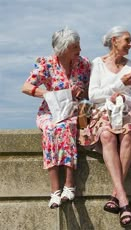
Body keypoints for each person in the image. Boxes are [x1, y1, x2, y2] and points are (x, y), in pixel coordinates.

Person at [80, 26, 131, 227]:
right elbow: (94, 95)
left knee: (128, 133)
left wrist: (125, 97)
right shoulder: (97, 63)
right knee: (106, 134)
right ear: (114, 41)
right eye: (127, 40)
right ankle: (124, 200)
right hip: (102, 111)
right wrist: (118, 85)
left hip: (125, 111)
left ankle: (116, 196)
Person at [21, 27, 91, 209]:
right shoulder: (46, 63)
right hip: (50, 111)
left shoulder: (84, 64)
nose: (80, 50)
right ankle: (55, 190)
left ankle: (69, 184)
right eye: (75, 47)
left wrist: (80, 92)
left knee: (67, 126)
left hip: (74, 110)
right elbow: (26, 87)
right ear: (64, 48)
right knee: (52, 128)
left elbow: (91, 91)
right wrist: (49, 93)